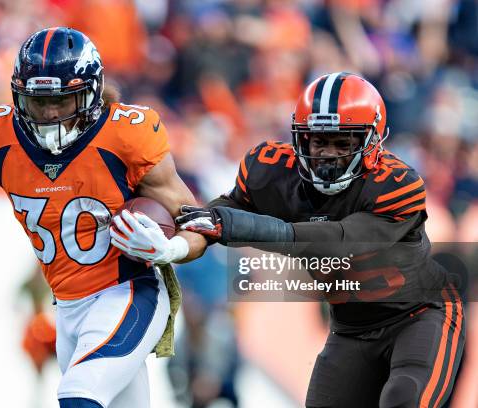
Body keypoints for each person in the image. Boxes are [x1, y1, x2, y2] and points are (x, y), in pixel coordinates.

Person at [0, 27, 207, 408]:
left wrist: (171, 248)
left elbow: (199, 222)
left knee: (78, 396)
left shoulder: (125, 136)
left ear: (90, 94)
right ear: (19, 96)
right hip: (66, 307)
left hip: (128, 293)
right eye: (39, 102)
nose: (50, 113)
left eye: (63, 101)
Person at [169, 72, 465, 407]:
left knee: (404, 398)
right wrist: (175, 243)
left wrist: (228, 225)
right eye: (319, 141)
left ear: (372, 144)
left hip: (419, 317)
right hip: (350, 329)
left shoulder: (397, 185)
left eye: (343, 143)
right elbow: (215, 217)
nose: (327, 154)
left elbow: (336, 240)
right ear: (300, 138)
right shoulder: (271, 169)